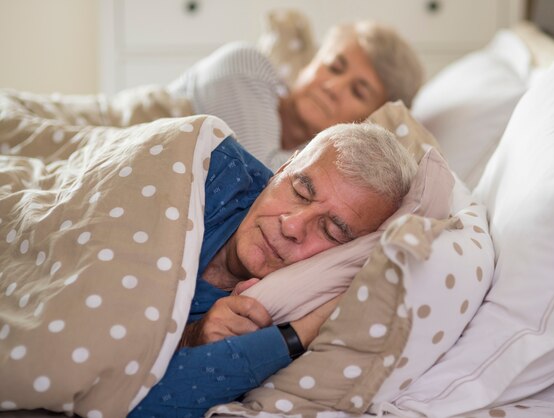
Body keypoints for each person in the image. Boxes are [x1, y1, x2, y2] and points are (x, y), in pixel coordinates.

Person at [130, 122, 417, 417]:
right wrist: (189, 337)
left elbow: (125, 406)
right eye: (300, 192)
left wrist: (296, 334)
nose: (292, 225)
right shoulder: (209, 169)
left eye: (331, 231)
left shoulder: (289, 312)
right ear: (283, 167)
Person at [168, 20, 423, 171]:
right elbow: (255, 178)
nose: (333, 87)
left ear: (371, 121)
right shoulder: (246, 66)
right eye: (334, 66)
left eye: (358, 91)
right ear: (310, 63)